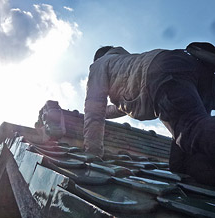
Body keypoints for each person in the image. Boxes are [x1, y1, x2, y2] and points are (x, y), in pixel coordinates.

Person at [83, 43, 215, 186]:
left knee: (191, 130)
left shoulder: (100, 64)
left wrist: (92, 156)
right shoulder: (127, 67)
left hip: (164, 70)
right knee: (183, 164)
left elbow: (94, 110)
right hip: (190, 66)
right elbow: (117, 109)